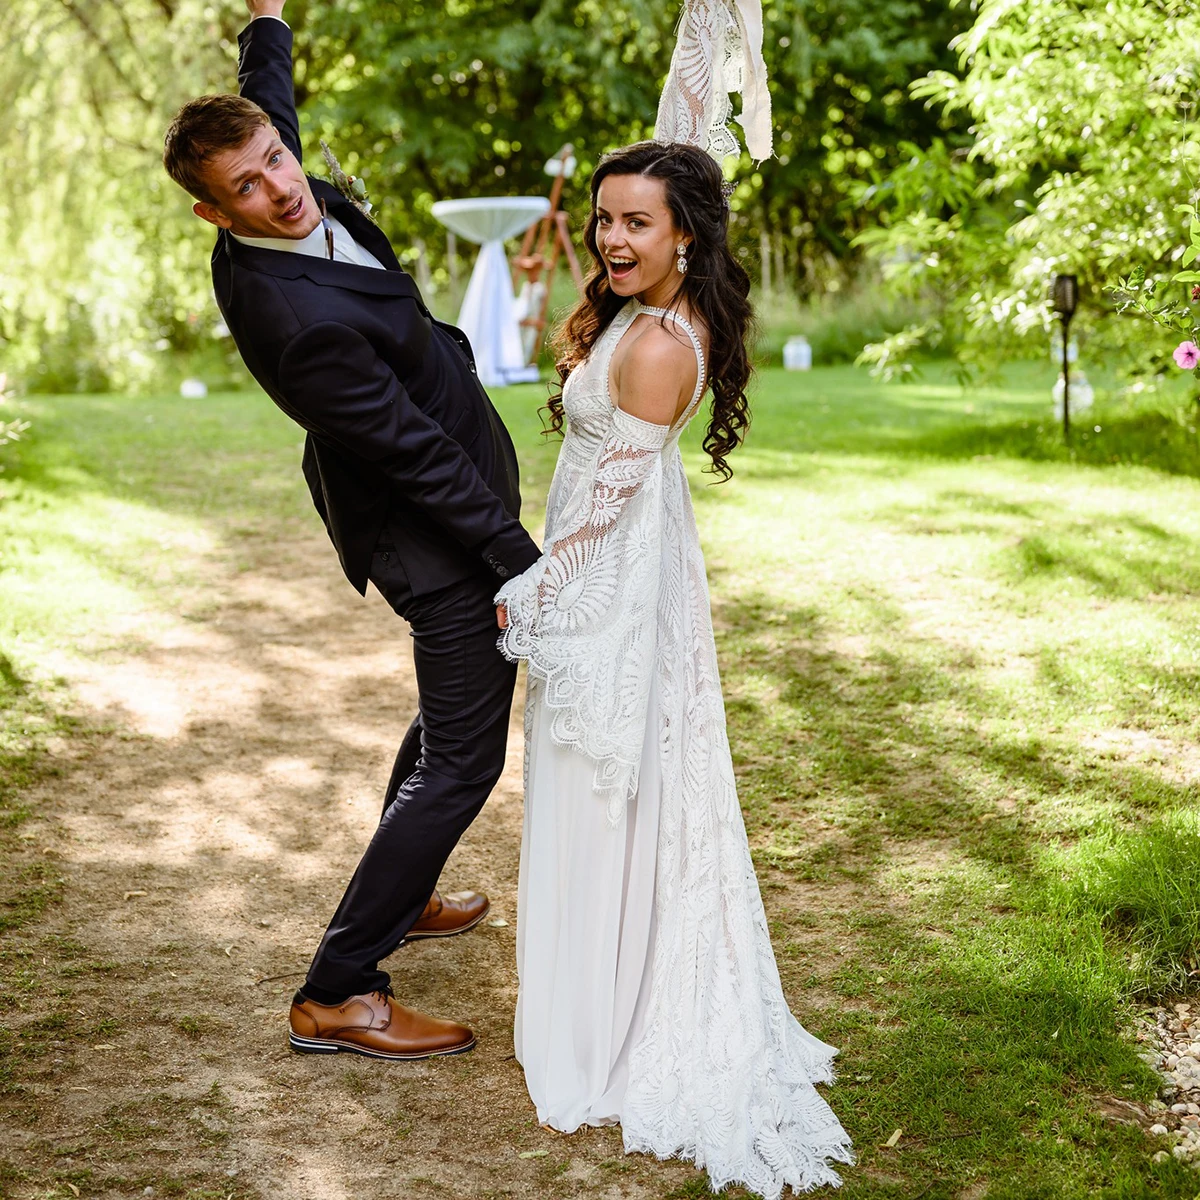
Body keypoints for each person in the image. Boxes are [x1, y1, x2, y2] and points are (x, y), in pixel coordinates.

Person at [493, 4, 854, 1194]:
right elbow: (677, 133)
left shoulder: (656, 346)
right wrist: (708, 30)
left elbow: (597, 513)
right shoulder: (653, 296)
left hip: (613, 583)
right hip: (623, 564)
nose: (611, 235)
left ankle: (604, 1029)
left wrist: (532, 597)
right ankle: (603, 993)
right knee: (611, 785)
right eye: (603, 219)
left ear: (683, 234)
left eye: (634, 222)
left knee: (604, 782)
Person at [162, 0, 542, 1061]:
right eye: (247, 186)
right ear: (211, 213)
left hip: (446, 494)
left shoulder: (275, 169)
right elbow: (411, 456)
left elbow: (265, 99)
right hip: (428, 528)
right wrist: (517, 557)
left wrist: (268, 22)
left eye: (278, 160)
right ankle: (338, 990)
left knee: (447, 722)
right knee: (464, 761)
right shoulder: (293, 317)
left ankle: (402, 894)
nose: (281, 188)